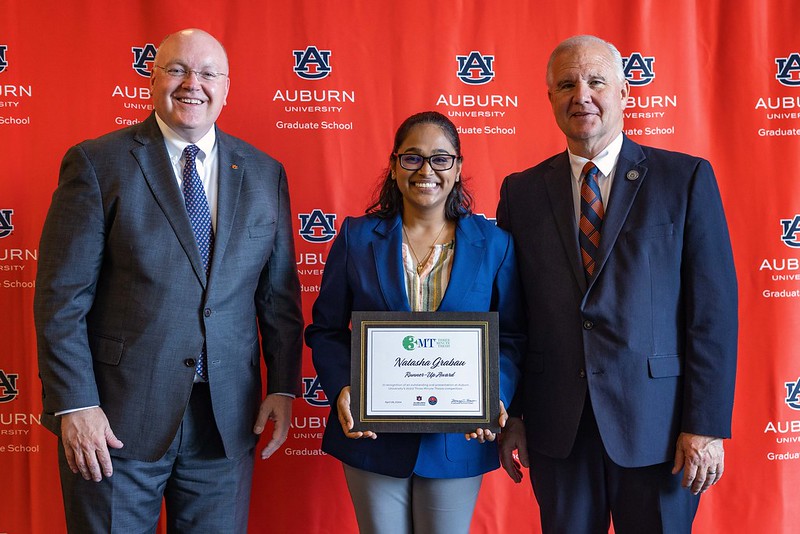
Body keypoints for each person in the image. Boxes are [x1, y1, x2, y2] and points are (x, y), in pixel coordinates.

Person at [33, 28, 303, 533]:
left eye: (207, 73)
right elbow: (60, 299)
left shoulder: (265, 173)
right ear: (152, 79)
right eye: (177, 69)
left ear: (227, 86)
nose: (192, 84)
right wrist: (76, 403)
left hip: (225, 422)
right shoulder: (98, 163)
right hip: (114, 422)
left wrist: (284, 386)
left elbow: (278, 297)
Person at [496, 34, 738, 533]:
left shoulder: (685, 178)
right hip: (557, 427)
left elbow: (712, 314)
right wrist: (514, 412)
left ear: (625, 94)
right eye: (566, 84)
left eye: (595, 81)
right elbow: (511, 316)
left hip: (660, 430)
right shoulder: (520, 192)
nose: (581, 95)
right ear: (550, 100)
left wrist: (705, 424)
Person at [305, 111, 525, 534]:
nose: (426, 170)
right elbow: (326, 330)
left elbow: (512, 334)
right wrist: (344, 388)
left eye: (441, 159)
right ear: (393, 165)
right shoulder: (356, 237)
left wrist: (494, 392)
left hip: (458, 438)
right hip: (372, 437)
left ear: (458, 168)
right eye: (413, 158)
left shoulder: (494, 245)